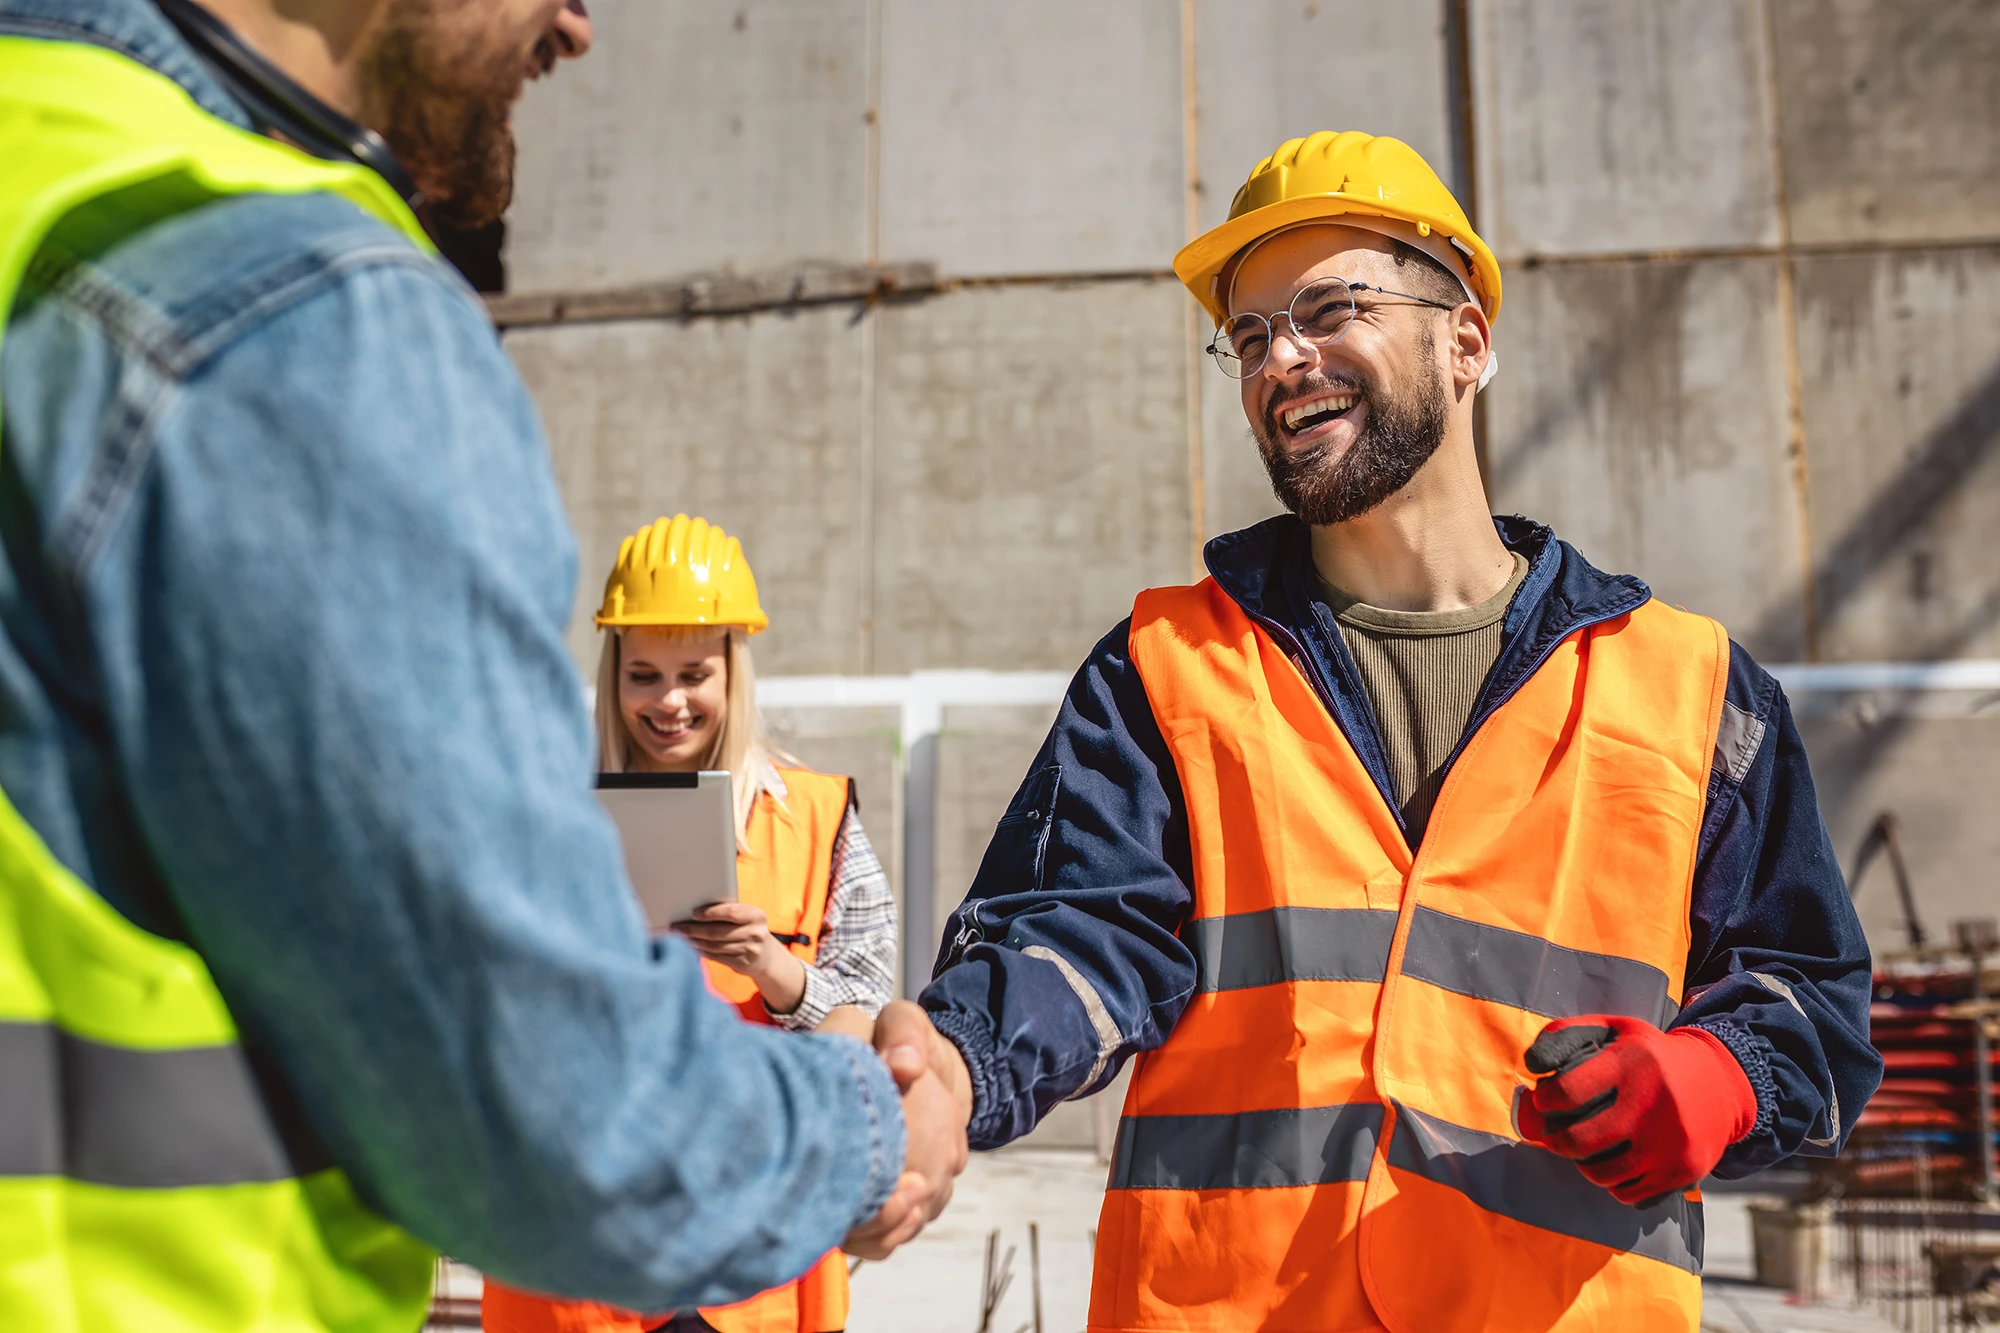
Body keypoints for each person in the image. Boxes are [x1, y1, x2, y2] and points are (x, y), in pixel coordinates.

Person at [0, 2, 963, 1330]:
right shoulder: (291, 310)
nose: (577, 25)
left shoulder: (41, 166)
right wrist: (880, 1128)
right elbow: (562, 1116)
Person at [904, 131, 1881, 1332]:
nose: (1281, 358)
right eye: (1250, 334)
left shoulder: (1692, 688)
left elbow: (1812, 1002)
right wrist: (953, 1065)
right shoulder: (1165, 670)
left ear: (1464, 340)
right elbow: (1080, 935)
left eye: (1330, 307)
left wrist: (1724, 1075)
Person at [483, 514, 900, 1333]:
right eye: (643, 674)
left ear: (733, 670)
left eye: (693, 673)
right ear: (612, 674)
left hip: (756, 1267)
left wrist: (773, 970)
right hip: (581, 1259)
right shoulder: (544, 815)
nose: (669, 701)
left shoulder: (815, 817)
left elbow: (870, 1010)